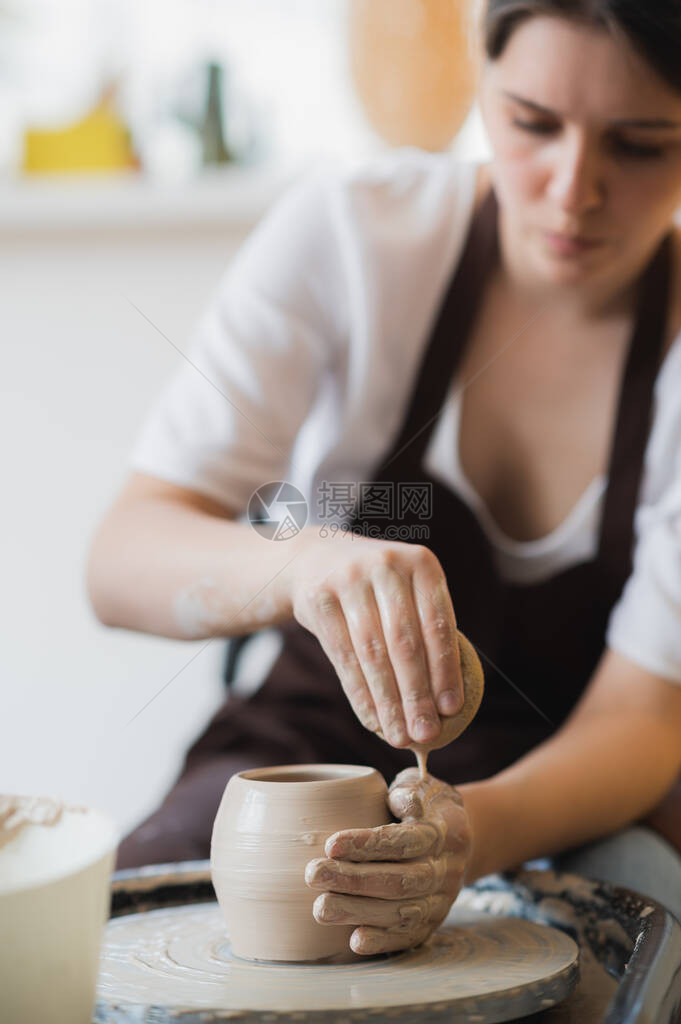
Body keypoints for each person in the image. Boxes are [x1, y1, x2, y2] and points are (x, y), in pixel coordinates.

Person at [88, 0, 681, 950]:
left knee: (636, 947)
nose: (574, 190)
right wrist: (298, 565)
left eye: (641, 144)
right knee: (121, 930)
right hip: (301, 752)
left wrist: (471, 835)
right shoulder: (355, 232)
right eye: (531, 123)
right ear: (478, 78)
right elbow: (119, 560)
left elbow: (643, 716)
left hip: (562, 793)